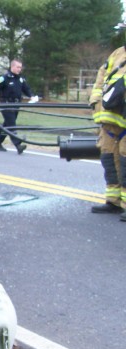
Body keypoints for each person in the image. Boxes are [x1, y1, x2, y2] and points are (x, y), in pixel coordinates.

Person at [89, 25, 126, 220]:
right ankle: (113, 201)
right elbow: (101, 79)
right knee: (108, 158)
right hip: (109, 120)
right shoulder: (118, 53)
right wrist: (96, 103)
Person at [0, 60, 37, 154]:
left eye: (20, 67)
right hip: (6, 104)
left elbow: (26, 89)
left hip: (16, 105)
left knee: (7, 125)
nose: (19, 69)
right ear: (12, 67)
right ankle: (18, 145)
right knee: (12, 125)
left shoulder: (20, 79)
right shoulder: (4, 78)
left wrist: (31, 96)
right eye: (18, 67)